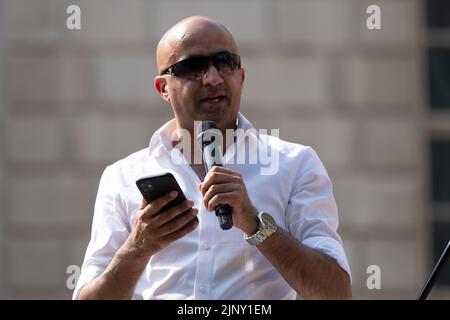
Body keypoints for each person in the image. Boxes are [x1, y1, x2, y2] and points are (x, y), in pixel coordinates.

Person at [74, 16, 352, 300]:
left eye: (225, 62)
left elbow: (336, 293)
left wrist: (256, 224)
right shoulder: (122, 176)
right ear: (163, 89)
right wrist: (137, 247)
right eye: (192, 67)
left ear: (241, 77)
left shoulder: (294, 164)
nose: (213, 78)